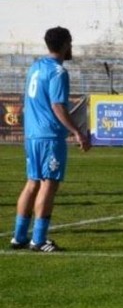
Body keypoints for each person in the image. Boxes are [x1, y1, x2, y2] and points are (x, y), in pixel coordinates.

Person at [10, 26, 91, 252]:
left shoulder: (35, 67)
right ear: (65, 44)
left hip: (32, 134)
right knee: (49, 184)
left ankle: (18, 236)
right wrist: (77, 131)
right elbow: (57, 106)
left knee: (32, 182)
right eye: (70, 43)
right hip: (50, 136)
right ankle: (38, 239)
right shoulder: (58, 72)